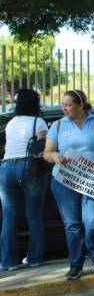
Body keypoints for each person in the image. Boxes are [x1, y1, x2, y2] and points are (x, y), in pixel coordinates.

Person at [44, 90, 94, 279]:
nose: (64, 108)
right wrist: (54, 156)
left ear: (80, 105)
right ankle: (75, 264)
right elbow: (47, 153)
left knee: (93, 221)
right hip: (65, 181)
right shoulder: (58, 125)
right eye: (63, 104)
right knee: (72, 225)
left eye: (68, 105)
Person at [0, 89, 48, 271]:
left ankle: (8, 261)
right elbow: (42, 149)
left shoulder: (11, 123)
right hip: (29, 168)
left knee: (9, 216)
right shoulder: (38, 121)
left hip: (6, 168)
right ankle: (34, 258)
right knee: (33, 215)